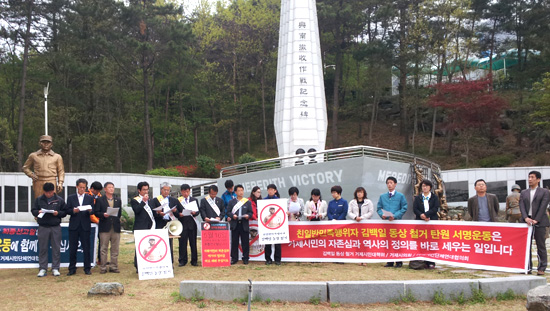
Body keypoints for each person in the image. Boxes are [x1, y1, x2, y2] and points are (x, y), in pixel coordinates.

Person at [31, 182, 67, 277]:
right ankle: (43, 268)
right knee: (43, 248)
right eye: (47, 193)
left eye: (50, 192)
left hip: (55, 226)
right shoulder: (39, 199)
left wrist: (57, 213)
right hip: (43, 226)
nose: (49, 194)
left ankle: (55, 268)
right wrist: (37, 212)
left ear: (53, 191)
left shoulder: (59, 200)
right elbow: (33, 210)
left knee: (56, 248)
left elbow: (65, 212)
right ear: (44, 192)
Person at [520, 171, 550, 275]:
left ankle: (541, 267)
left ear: (538, 179)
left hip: (540, 221)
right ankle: (527, 266)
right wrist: (525, 218)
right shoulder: (524, 192)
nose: (530, 179)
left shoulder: (544, 192)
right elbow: (522, 206)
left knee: (540, 245)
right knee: (526, 245)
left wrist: (536, 219)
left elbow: (543, 206)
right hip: (526, 221)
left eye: (532, 177)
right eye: (529, 177)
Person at [377, 176, 408, 268]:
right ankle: (389, 261)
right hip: (386, 223)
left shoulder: (400, 196)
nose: (389, 185)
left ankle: (398, 261)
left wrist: (395, 215)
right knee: (388, 241)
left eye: (391, 183)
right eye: (388, 183)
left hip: (397, 222)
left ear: (395, 184)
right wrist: (382, 214)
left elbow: (404, 207)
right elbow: (379, 208)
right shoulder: (383, 196)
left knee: (397, 241)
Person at [66, 178, 95, 275]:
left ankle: (87, 268)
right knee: (73, 248)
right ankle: (72, 268)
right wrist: (73, 211)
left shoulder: (90, 198)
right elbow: (67, 210)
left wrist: (90, 211)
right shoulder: (71, 197)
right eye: (80, 187)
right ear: (77, 187)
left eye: (84, 187)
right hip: (74, 225)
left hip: (85, 225)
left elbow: (93, 210)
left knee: (86, 247)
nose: (82, 189)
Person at [93, 182, 122, 274]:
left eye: (113, 187)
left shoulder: (118, 200)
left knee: (115, 248)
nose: (111, 189)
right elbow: (96, 212)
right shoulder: (100, 200)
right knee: (103, 248)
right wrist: (103, 215)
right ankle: (103, 267)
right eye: (109, 187)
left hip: (115, 226)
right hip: (105, 226)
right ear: (105, 189)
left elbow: (119, 212)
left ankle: (114, 266)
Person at [412, 179, 440, 269]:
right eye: (423, 186)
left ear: (430, 187)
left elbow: (435, 208)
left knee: (431, 242)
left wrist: (427, 215)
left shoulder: (434, 197)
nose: (424, 188)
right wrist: (421, 215)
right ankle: (422, 261)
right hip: (421, 222)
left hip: (431, 222)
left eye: (426, 186)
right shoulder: (418, 198)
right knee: (421, 242)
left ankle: (431, 261)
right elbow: (415, 209)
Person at [131, 181, 155, 272]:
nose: (146, 192)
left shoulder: (151, 200)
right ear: (139, 190)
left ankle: (149, 263)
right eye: (144, 190)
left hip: (150, 226)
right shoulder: (135, 200)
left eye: (147, 190)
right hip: (140, 227)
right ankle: (138, 266)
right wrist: (143, 202)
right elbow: (137, 210)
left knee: (149, 246)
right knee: (140, 247)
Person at [227, 185, 253, 265]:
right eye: (239, 190)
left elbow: (251, 213)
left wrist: (248, 216)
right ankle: (234, 258)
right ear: (235, 192)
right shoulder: (232, 202)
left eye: (242, 190)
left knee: (245, 242)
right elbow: (228, 212)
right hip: (235, 223)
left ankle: (245, 258)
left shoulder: (247, 202)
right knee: (234, 242)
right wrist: (232, 216)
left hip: (244, 223)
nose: (241, 192)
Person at [177, 184, 199, 267]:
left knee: (193, 242)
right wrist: (179, 214)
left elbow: (198, 211)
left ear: (189, 191)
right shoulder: (178, 200)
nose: (186, 193)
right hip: (182, 223)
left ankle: (194, 260)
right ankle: (182, 260)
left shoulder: (194, 200)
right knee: (182, 243)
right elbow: (176, 212)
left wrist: (194, 213)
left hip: (192, 223)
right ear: (181, 192)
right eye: (184, 192)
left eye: (187, 191)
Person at [264, 184, 281, 265]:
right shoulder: (263, 200)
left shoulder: (279, 200)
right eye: (269, 189)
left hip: (277, 227)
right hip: (268, 227)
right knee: (267, 244)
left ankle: (277, 259)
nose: (270, 191)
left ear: (275, 191)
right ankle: (268, 259)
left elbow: (282, 213)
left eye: (272, 189)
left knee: (277, 244)